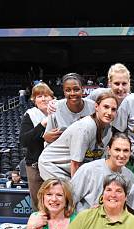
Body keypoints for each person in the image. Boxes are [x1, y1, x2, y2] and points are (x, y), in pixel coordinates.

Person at [38, 92, 118, 180]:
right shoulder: (85, 127)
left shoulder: (109, 130)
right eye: (106, 107)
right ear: (96, 107)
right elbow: (75, 164)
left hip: (71, 168)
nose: (109, 112)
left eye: (113, 109)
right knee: (69, 191)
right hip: (53, 165)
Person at [71, 132, 134, 211]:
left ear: (130, 153)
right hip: (86, 219)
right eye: (117, 150)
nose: (121, 155)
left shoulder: (129, 176)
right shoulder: (89, 170)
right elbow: (70, 199)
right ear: (109, 150)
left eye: (125, 151)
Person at [20, 82, 55, 210]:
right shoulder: (30, 115)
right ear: (34, 100)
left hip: (57, 164)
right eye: (39, 96)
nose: (44, 99)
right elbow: (24, 140)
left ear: (53, 98)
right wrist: (42, 125)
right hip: (36, 166)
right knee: (39, 204)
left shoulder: (61, 112)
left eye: (46, 95)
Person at [44, 73, 96, 142]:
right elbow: (48, 135)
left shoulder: (93, 107)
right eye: (68, 90)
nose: (72, 93)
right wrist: (47, 137)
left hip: (88, 149)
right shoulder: (55, 107)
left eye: (76, 89)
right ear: (64, 92)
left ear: (82, 90)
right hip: (63, 149)